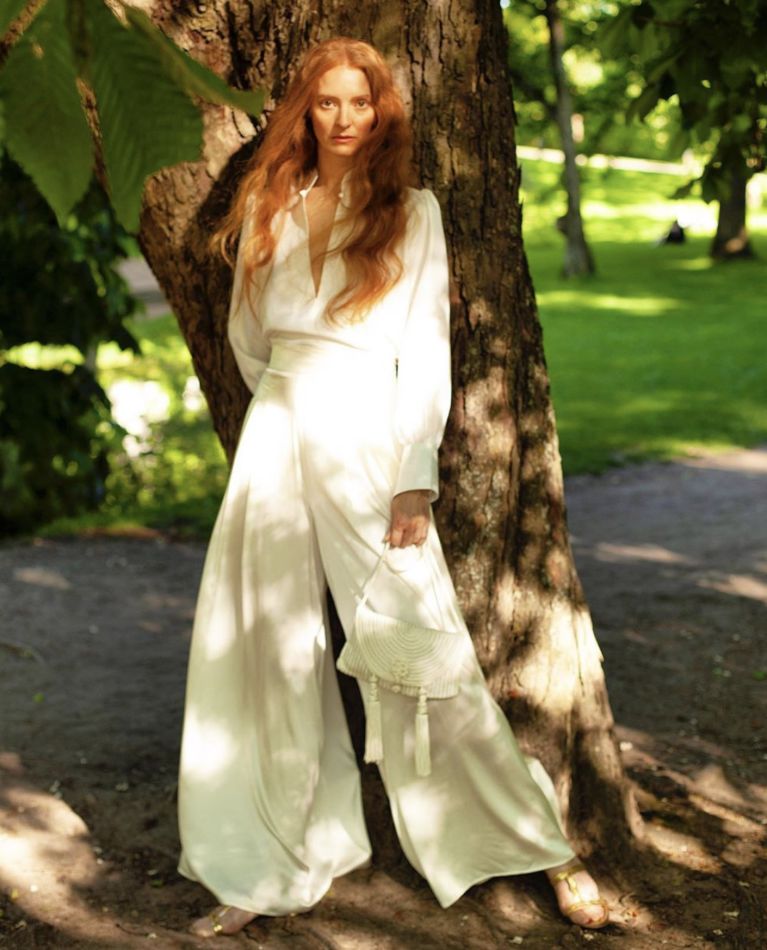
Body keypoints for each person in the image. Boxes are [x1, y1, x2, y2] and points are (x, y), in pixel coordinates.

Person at [177, 36, 610, 938]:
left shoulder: (412, 212)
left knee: (417, 644)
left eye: (359, 102)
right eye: (326, 102)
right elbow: (248, 339)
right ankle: (265, 860)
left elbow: (425, 353)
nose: (343, 118)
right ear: (304, 112)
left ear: (381, 113)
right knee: (262, 646)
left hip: (368, 441)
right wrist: (288, 409)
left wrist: (413, 477)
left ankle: (544, 847)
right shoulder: (269, 203)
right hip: (276, 435)